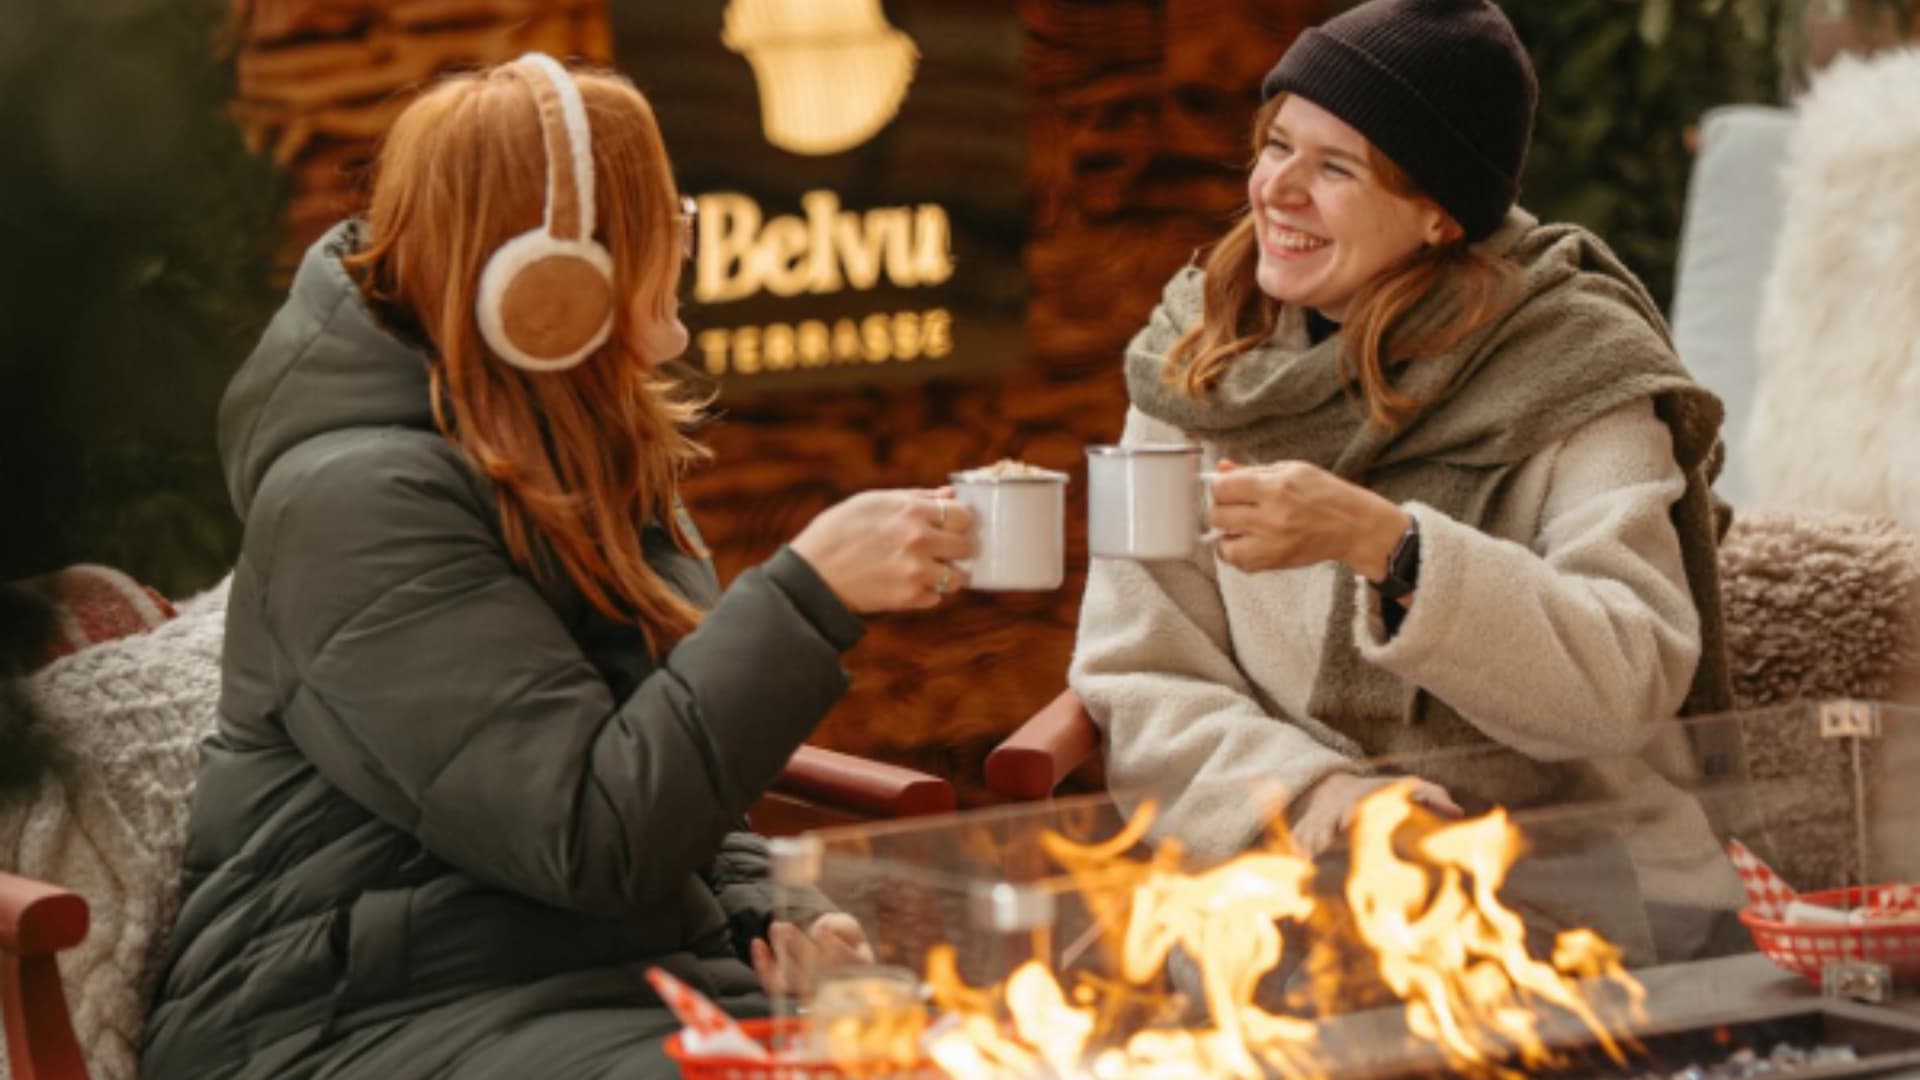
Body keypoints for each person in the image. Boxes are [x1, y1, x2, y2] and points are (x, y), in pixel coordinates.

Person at [140, 54, 974, 1080]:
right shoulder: (355, 504)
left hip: (579, 977)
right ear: (548, 280)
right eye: (653, 211)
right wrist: (806, 597)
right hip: (352, 1015)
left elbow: (678, 785)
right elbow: (591, 834)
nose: (685, 233)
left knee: (948, 1050)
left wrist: (782, 918)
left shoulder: (587, 454)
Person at [1070, 0, 1746, 968]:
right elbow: (1143, 670)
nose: (1278, 190)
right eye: (1276, 145)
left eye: (1336, 167)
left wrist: (1393, 550)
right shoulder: (1202, 365)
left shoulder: (1577, 367)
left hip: (1573, 886)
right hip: (1296, 888)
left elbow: (1627, 679)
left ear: (1439, 213)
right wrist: (1315, 793)